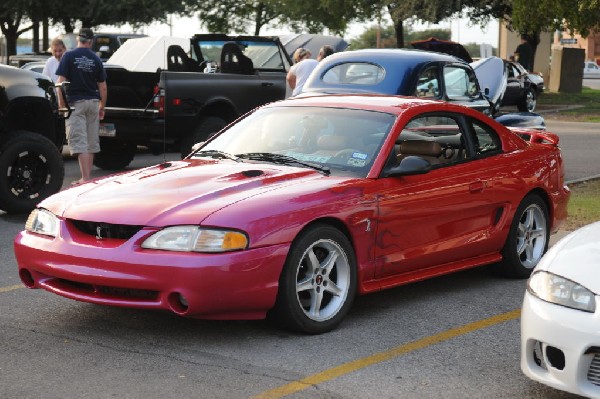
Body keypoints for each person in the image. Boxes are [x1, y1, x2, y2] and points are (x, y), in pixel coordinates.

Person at [56, 28, 107, 185]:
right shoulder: (96, 59)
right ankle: (87, 177)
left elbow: (60, 83)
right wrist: (102, 106)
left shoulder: (69, 56)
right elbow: (103, 87)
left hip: (76, 104)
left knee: (80, 143)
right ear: (91, 41)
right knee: (91, 143)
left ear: (78, 39)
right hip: (93, 103)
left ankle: (84, 178)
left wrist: (61, 104)